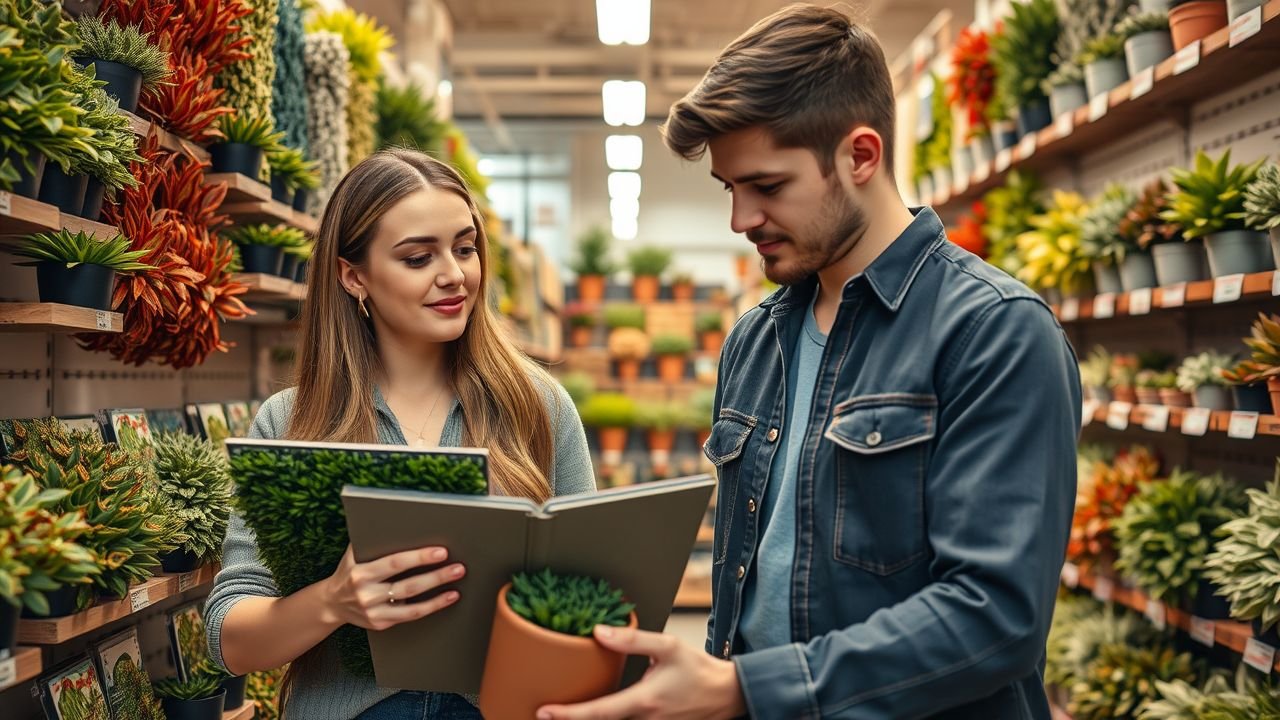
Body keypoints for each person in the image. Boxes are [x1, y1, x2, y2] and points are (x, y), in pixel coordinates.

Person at [539, 5, 1080, 720]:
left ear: (860, 155)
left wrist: (746, 692)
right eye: (730, 190)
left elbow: (995, 616)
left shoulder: (994, 333)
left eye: (767, 187)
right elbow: (749, 590)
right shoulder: (755, 341)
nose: (740, 221)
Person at [205, 149, 596, 719]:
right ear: (353, 275)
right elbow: (230, 639)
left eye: (465, 248)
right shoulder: (293, 421)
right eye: (418, 258)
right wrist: (334, 601)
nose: (454, 275)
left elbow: (592, 593)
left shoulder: (535, 405)